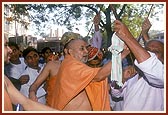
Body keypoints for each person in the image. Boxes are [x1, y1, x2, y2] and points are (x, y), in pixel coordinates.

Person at [112, 20, 164, 111]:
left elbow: (152, 66)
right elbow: (116, 94)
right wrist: (122, 79)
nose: (150, 53)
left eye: (155, 52)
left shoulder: (161, 75)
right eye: (147, 50)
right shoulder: (134, 73)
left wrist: (127, 37)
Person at [3, 35, 57, 111]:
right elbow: (27, 100)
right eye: (5, 45)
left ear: (39, 56)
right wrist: (46, 86)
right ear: (26, 61)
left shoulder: (44, 68)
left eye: (35, 56)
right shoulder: (25, 76)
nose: (10, 51)